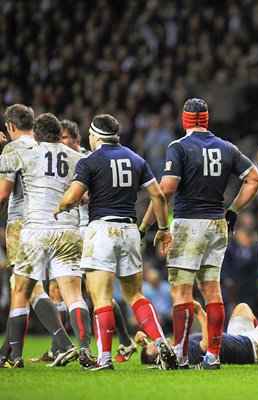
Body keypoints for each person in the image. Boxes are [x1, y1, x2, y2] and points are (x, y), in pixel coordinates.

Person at [140, 97, 258, 370]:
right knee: (212, 291)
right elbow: (254, 179)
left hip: (188, 224)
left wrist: (149, 226)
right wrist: (233, 211)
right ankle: (213, 357)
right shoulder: (227, 147)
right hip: (217, 223)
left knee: (181, 293)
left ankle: (180, 357)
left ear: (185, 119)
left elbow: (167, 189)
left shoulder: (179, 147)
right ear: (206, 119)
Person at [55, 113, 176, 371]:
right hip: (130, 230)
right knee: (135, 295)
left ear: (96, 136)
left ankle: (105, 359)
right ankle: (162, 342)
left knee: (101, 299)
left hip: (102, 230)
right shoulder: (136, 158)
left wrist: (61, 206)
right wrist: (163, 228)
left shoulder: (90, 160)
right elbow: (158, 196)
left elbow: (72, 197)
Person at [0, 113, 94, 368]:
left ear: (38, 135)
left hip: (36, 231)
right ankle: (84, 350)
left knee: (21, 292)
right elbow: (85, 195)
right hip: (68, 230)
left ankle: (15, 357)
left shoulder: (26, 153)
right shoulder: (77, 158)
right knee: (74, 294)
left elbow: (3, 168)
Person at [60, 119, 137, 363]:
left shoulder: (89, 158)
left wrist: (80, 197)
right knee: (73, 289)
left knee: (95, 292)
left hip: (92, 228)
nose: (60, 144)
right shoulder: (61, 159)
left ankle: (116, 341)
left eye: (64, 139)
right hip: (76, 229)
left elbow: (99, 190)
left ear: (76, 139)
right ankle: (121, 340)